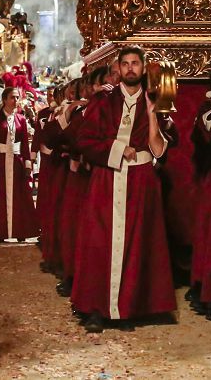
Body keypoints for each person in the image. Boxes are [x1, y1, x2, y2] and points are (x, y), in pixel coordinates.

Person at [71, 46, 177, 333]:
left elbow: (158, 149)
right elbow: (84, 139)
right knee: (100, 241)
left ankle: (130, 307)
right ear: (118, 68)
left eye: (136, 64)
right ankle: (95, 308)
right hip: (107, 178)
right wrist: (119, 148)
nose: (131, 69)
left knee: (138, 241)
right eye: (126, 64)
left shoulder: (156, 100)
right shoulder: (103, 100)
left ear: (143, 68)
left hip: (142, 180)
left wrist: (154, 114)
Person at [0, 86, 40, 242]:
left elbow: (25, 145)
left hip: (17, 163)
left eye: (17, 97)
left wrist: (28, 166)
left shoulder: (21, 119)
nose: (16, 101)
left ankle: (21, 231)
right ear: (5, 99)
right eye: (13, 97)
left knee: (20, 198)